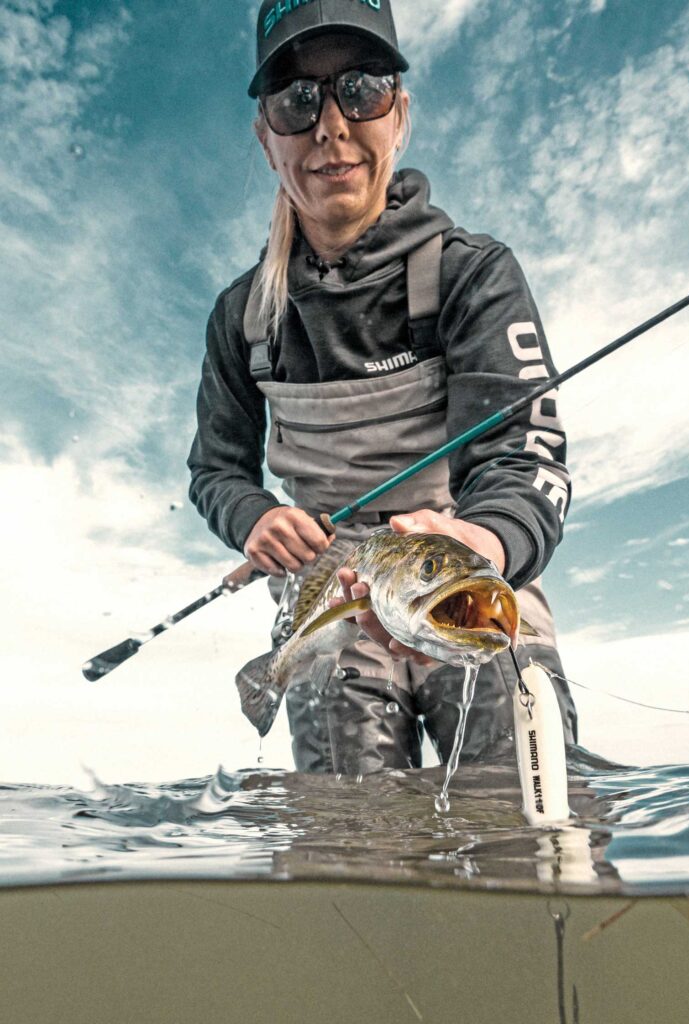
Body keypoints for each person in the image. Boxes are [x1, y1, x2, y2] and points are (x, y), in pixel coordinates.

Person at [188, 0, 577, 774]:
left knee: (524, 820)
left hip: (464, 577)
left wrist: (485, 542)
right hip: (324, 607)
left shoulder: (474, 274)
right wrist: (254, 518)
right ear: (267, 139)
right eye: (297, 101)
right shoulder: (241, 317)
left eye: (360, 89)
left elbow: (523, 457)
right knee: (348, 843)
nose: (330, 126)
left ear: (398, 114)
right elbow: (217, 471)